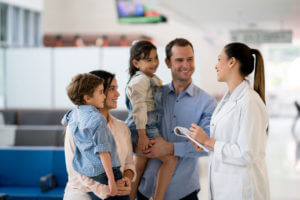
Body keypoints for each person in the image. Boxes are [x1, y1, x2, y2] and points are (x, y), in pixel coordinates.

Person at [136, 38, 216, 200]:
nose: (186, 65)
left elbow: (207, 146)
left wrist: (171, 148)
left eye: (190, 59)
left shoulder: (207, 102)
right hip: (147, 191)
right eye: (179, 60)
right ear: (167, 62)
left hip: (185, 191)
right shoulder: (154, 95)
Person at [189, 42, 270, 199]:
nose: (216, 66)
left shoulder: (250, 101)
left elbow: (246, 153)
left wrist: (208, 141)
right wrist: (205, 145)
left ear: (232, 62)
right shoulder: (229, 99)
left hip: (243, 190)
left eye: (220, 59)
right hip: (225, 188)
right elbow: (227, 141)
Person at [63, 70, 136, 200]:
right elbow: (76, 169)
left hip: (116, 188)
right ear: (89, 96)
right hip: (82, 191)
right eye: (111, 89)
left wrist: (126, 180)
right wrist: (107, 188)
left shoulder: (122, 128)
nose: (118, 94)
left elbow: (129, 164)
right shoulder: (76, 125)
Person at [125, 40, 178, 200]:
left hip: (145, 128)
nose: (155, 63)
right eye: (149, 60)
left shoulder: (151, 78)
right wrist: (142, 136)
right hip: (144, 129)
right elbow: (139, 109)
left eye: (156, 58)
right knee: (171, 160)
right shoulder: (140, 80)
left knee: (139, 166)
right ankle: (158, 198)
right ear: (136, 62)